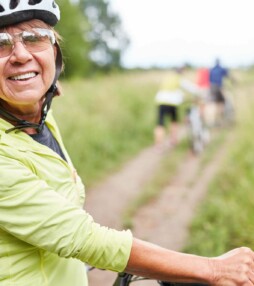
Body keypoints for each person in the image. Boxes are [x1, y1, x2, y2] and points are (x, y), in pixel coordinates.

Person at [0, 1, 254, 285]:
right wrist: (214, 269)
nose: (21, 54)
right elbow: (81, 237)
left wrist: (36, 84)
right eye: (0, 43)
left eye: (35, 37)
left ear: (55, 53)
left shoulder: (38, 117)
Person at [154, 69, 185, 149]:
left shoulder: (166, 77)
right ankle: (173, 140)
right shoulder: (178, 78)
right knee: (174, 122)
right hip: (172, 103)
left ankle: (158, 145)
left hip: (161, 102)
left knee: (160, 124)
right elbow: (188, 87)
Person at [209, 58, 229, 125]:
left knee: (215, 104)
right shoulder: (221, 69)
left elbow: (210, 80)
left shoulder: (212, 69)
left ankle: (215, 121)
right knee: (222, 103)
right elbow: (227, 74)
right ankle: (221, 120)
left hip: (212, 88)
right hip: (219, 88)